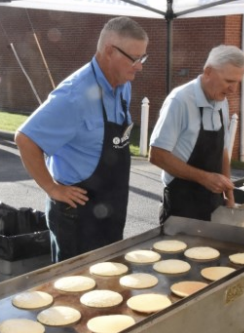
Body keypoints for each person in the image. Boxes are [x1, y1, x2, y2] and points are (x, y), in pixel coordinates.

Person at [15, 17, 148, 262]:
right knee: (74, 293)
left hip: (110, 210)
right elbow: (25, 139)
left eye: (143, 58)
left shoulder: (123, 85)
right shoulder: (74, 96)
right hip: (77, 219)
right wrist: (52, 188)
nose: (139, 66)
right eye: (135, 58)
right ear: (109, 51)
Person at [149, 44, 244, 223]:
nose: (233, 89)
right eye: (229, 81)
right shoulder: (180, 101)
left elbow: (223, 150)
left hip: (215, 204)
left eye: (237, 82)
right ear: (208, 72)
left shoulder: (221, 100)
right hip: (181, 207)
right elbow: (157, 155)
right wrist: (205, 178)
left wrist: (229, 195)